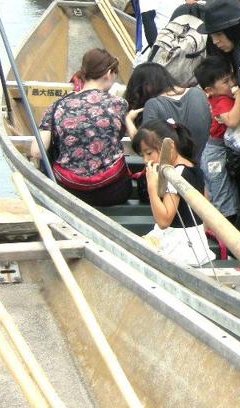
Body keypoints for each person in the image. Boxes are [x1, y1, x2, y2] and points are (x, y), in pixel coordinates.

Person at [30, 49, 130, 207]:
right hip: (112, 192)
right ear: (109, 73)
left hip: (69, 190)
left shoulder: (57, 106)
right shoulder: (119, 104)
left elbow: (36, 151)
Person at [136, 119, 215, 267]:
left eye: (149, 153)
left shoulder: (176, 173)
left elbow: (164, 221)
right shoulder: (192, 165)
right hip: (194, 241)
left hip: (180, 247)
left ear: (169, 146)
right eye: (143, 155)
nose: (146, 160)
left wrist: (152, 187)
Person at [125, 62, 210, 164]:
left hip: (179, 169)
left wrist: (129, 120)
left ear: (146, 86)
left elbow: (143, 143)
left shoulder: (153, 105)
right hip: (209, 162)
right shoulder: (198, 93)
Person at [194, 56, 240, 221]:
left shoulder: (222, 96)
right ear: (209, 90)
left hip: (214, 151)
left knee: (213, 192)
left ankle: (208, 228)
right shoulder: (221, 100)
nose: (231, 84)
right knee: (224, 198)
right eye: (225, 81)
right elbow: (232, 120)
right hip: (216, 153)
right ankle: (224, 237)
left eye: (231, 78)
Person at [200, 0, 240, 76]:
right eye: (211, 36)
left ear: (235, 30)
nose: (215, 41)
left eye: (219, 34)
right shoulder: (216, 50)